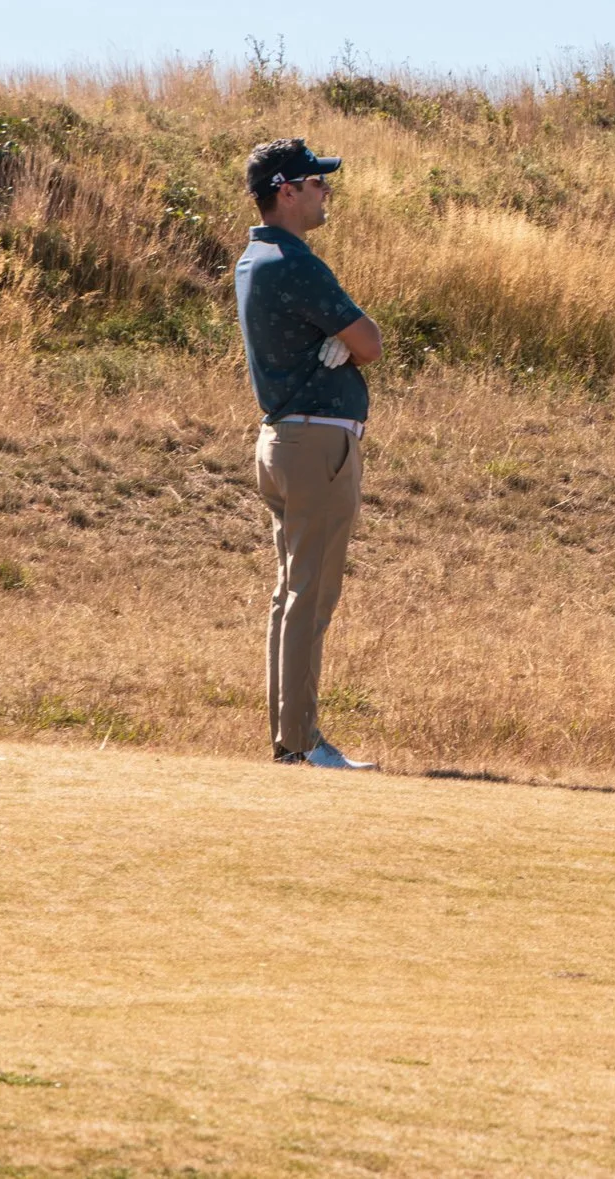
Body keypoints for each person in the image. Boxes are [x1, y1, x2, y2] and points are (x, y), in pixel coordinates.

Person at [234, 137, 385, 770]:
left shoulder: (257, 257)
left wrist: (341, 345)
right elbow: (371, 341)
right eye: (316, 183)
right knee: (309, 597)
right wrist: (349, 347)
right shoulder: (294, 261)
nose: (327, 191)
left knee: (291, 595)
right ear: (286, 192)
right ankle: (300, 742)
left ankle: (292, 740)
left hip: (288, 439)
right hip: (316, 440)